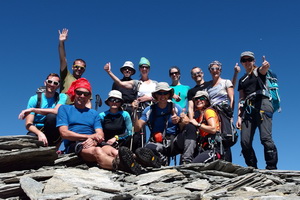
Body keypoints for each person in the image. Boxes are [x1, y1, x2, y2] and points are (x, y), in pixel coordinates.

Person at [56, 78, 144, 175]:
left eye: (86, 94)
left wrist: (94, 140)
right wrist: (90, 137)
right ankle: (123, 166)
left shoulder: (93, 113)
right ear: (74, 93)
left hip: (94, 141)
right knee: (97, 151)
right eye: (79, 92)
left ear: (89, 96)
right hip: (75, 143)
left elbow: (100, 133)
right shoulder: (64, 109)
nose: (82, 96)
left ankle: (140, 160)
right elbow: (64, 133)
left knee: (113, 151)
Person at [133, 82, 195, 165]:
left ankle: (186, 161)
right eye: (159, 93)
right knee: (147, 148)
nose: (163, 96)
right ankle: (160, 162)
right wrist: (135, 112)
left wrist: (179, 120)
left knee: (191, 128)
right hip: (158, 144)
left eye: (165, 93)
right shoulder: (149, 110)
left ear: (169, 94)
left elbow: (187, 121)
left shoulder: (175, 107)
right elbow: (137, 128)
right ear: (156, 95)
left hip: (174, 143)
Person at [104, 57, 158, 150]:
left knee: (138, 131)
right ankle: (120, 150)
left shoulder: (135, 83)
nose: (127, 70)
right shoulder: (117, 84)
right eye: (125, 69)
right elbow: (114, 97)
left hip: (134, 109)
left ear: (132, 71)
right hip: (121, 109)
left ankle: (139, 151)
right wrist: (109, 72)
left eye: (129, 69)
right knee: (121, 129)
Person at [236, 51, 278, 170]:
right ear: (242, 63)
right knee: (245, 141)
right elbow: (241, 98)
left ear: (253, 61)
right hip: (248, 109)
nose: (247, 62)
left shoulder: (258, 71)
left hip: (263, 104)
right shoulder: (242, 80)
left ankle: (271, 167)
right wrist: (239, 117)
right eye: (244, 60)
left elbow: (263, 70)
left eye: (249, 59)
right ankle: (252, 167)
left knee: (265, 138)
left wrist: (265, 66)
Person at [18, 73, 67, 147]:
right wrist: (40, 133)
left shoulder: (61, 97)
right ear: (45, 82)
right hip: (37, 129)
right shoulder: (34, 99)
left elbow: (56, 111)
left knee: (51, 117)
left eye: (55, 83)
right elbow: (28, 124)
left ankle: (51, 147)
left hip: (53, 131)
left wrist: (33, 109)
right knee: (29, 141)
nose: (52, 84)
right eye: (50, 82)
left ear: (58, 86)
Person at [58, 28, 91, 108]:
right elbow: (63, 58)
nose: (79, 69)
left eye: (82, 68)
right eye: (77, 67)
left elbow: (88, 102)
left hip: (79, 111)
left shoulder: (85, 83)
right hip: (64, 108)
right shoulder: (66, 75)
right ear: (72, 67)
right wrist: (61, 42)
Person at [188, 91, 221, 163]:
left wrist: (198, 125)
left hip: (213, 150)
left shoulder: (208, 111)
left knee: (193, 165)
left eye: (202, 98)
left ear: (207, 101)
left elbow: (213, 129)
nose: (198, 100)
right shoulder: (200, 116)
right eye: (196, 99)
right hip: (205, 149)